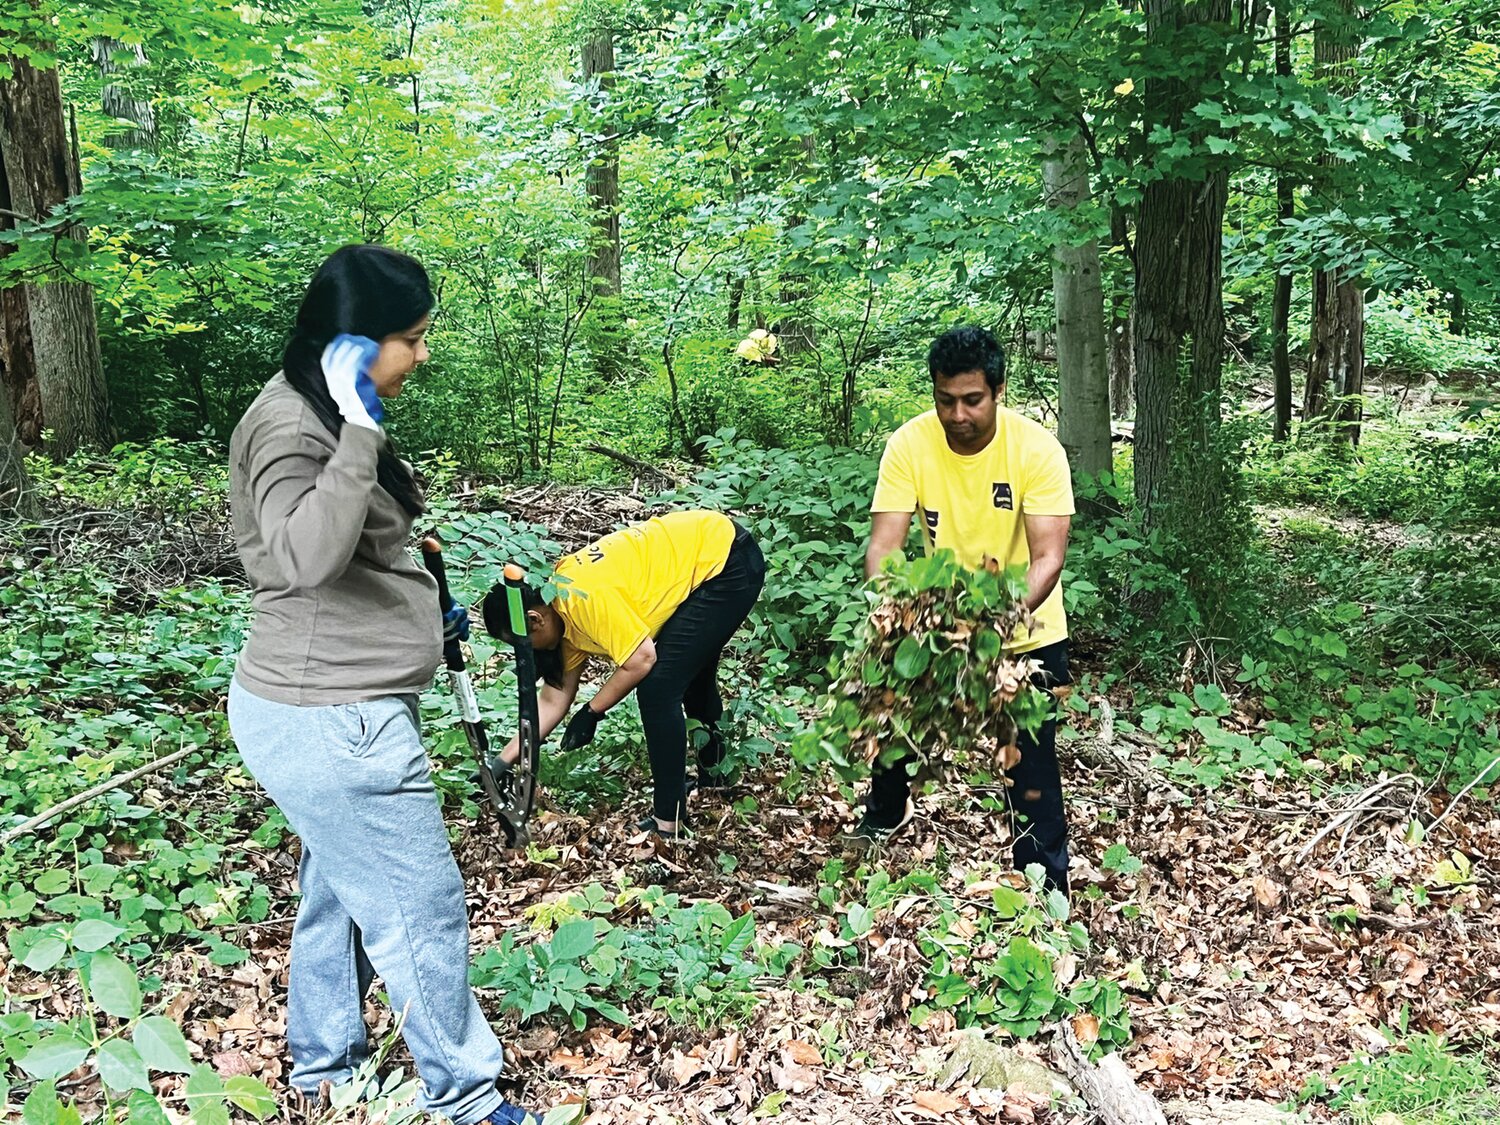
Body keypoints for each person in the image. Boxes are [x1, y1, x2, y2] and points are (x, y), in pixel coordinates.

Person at [226, 244, 538, 1125]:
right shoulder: (299, 424)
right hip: (328, 715)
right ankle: (468, 1097)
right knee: (417, 902)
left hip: (333, 705)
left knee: (343, 889)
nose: (423, 355)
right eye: (411, 338)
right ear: (355, 345)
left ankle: (323, 1066)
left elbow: (358, 541)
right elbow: (303, 556)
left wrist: (417, 595)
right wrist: (362, 429)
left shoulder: (318, 405)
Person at [858, 325, 1075, 895]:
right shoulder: (909, 444)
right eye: (945, 400)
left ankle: (1045, 887)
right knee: (891, 715)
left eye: (972, 400)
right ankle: (884, 816)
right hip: (936, 622)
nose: (958, 414)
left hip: (1025, 630)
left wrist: (991, 626)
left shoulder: (1036, 450)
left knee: (1028, 764)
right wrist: (901, 608)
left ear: (998, 391)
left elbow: (1049, 559)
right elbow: (883, 547)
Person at [495, 510, 765, 837]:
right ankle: (715, 777)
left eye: (524, 643)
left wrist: (592, 711)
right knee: (690, 677)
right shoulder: (561, 609)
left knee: (658, 690)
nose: (527, 652)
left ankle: (670, 822)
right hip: (707, 554)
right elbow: (553, 699)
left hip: (725, 561)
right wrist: (502, 762)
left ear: (536, 619)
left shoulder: (583, 600)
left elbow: (641, 660)